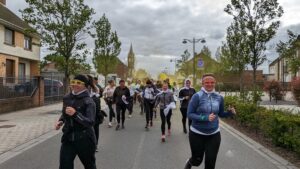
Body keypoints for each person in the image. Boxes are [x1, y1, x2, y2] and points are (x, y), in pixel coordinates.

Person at [184, 73, 236, 169]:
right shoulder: (197, 96)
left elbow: (220, 114)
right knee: (197, 161)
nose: (210, 84)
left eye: (212, 82)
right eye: (207, 82)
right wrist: (205, 117)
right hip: (197, 134)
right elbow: (189, 114)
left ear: (215, 83)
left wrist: (229, 113)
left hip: (214, 134)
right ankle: (190, 162)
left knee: (210, 164)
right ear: (202, 83)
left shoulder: (219, 97)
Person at [55, 74, 97, 169]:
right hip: (68, 138)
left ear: (85, 86)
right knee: (64, 166)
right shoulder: (67, 98)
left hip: (85, 139)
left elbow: (90, 122)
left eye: (79, 83)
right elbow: (65, 113)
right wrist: (61, 121)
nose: (75, 85)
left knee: (90, 166)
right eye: (73, 82)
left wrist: (75, 114)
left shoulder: (89, 101)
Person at [87, 75, 106, 152]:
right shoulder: (84, 87)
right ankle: (89, 144)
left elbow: (99, 96)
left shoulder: (96, 87)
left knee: (95, 129)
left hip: (95, 111)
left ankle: (95, 145)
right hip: (87, 113)